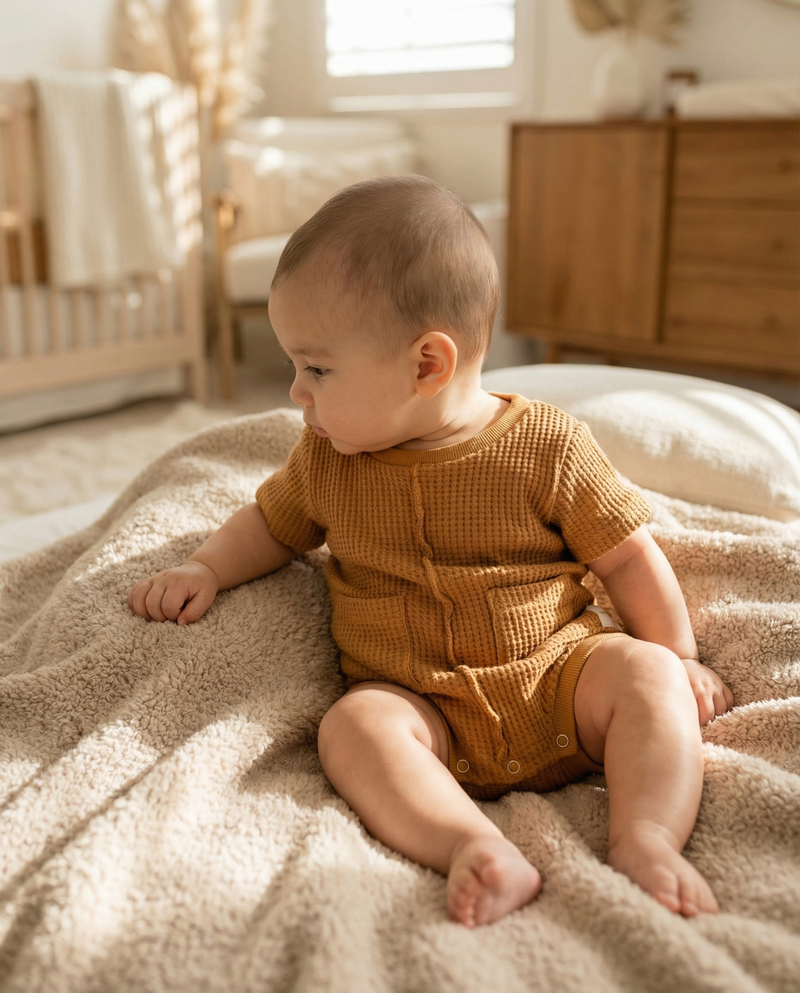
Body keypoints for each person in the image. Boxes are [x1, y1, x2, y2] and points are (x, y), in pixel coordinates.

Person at [129, 175, 734, 928]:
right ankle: (473, 845)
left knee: (647, 675)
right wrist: (205, 567)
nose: (295, 393)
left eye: (316, 368)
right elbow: (271, 524)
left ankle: (647, 836)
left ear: (427, 366)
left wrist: (678, 654)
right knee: (353, 729)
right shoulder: (326, 461)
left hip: (559, 680)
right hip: (421, 707)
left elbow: (628, 557)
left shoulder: (547, 446)